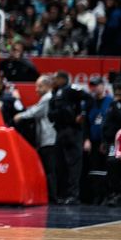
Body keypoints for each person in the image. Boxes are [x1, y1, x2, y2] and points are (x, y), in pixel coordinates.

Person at [14, 75, 58, 202]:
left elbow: (34, 112)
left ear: (48, 86)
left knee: (49, 170)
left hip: (49, 139)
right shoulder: (45, 98)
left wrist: (20, 115)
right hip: (46, 139)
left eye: (40, 86)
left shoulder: (48, 98)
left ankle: (52, 197)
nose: (36, 89)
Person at [48, 71, 89, 204]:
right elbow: (51, 113)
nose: (54, 81)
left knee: (73, 165)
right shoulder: (54, 93)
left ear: (63, 79)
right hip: (60, 131)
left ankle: (73, 195)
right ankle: (62, 194)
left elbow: (88, 98)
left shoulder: (72, 89)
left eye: (56, 79)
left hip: (73, 131)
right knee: (60, 164)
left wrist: (82, 114)